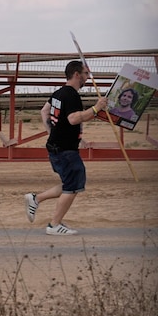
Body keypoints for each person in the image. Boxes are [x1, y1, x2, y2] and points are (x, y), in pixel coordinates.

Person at [24, 61, 107, 235]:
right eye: (85, 73)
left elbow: (44, 111)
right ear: (77, 74)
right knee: (73, 185)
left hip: (57, 147)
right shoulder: (71, 95)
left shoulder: (58, 93)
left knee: (70, 183)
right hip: (65, 150)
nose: (87, 77)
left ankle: (36, 198)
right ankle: (54, 225)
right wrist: (96, 108)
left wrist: (53, 133)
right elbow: (74, 119)